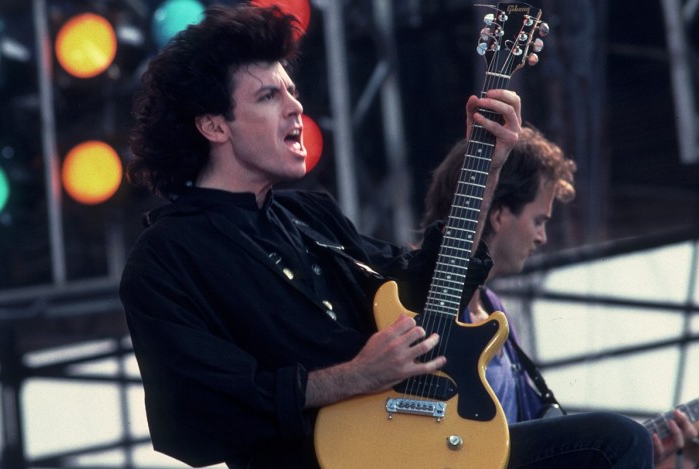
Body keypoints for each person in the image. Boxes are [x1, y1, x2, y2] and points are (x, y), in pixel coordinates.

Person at [119, 4, 653, 468]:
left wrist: (486, 165)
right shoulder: (170, 256)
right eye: (267, 97)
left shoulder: (309, 216)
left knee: (616, 442)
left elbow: (422, 287)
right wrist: (353, 376)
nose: (295, 107)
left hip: (433, 442)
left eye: (293, 91)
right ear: (214, 126)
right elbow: (192, 414)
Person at [422, 126, 698, 466]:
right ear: (498, 213)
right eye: (539, 220)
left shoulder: (495, 315)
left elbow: (540, 429)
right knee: (620, 437)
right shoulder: (426, 295)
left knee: (627, 443)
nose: (542, 237)